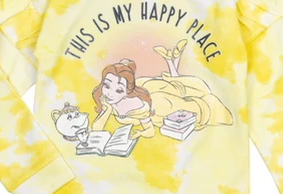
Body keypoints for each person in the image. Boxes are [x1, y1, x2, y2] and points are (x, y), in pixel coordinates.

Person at [91, 39, 233, 139]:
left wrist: (141, 133)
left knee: (193, 101)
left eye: (118, 90)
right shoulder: (107, 99)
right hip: (145, 88)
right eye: (106, 85)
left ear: (125, 92)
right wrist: (106, 110)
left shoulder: (139, 106)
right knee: (176, 87)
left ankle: (172, 62)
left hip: (160, 105)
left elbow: (149, 130)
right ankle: (172, 62)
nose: (109, 93)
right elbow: (96, 129)